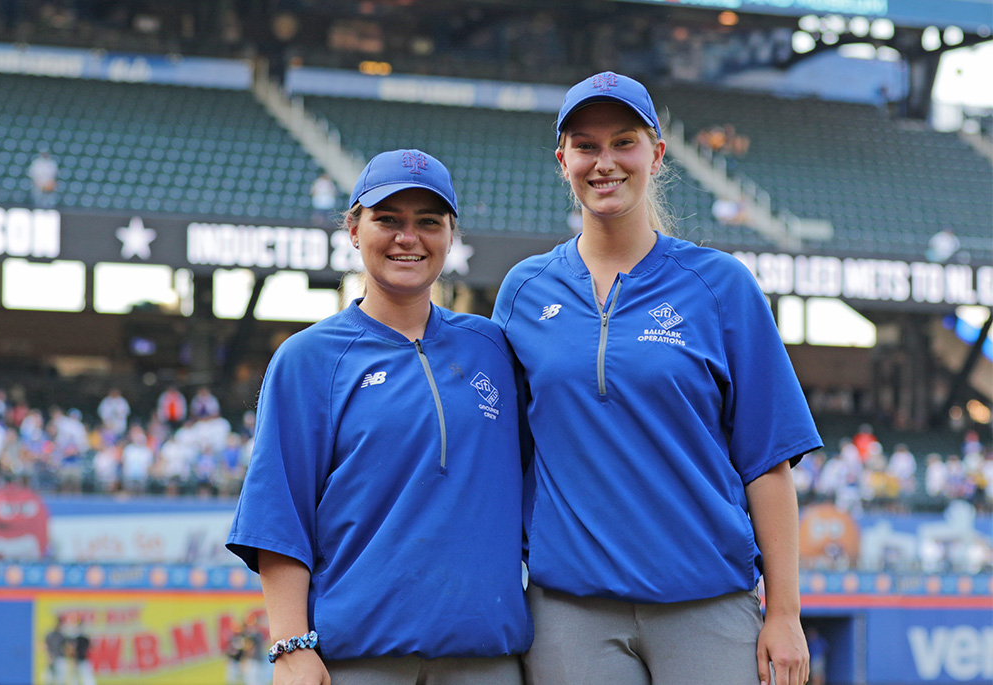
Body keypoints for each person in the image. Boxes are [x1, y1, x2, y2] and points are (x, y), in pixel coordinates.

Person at [493, 72, 821, 685]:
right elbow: (503, 455)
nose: (604, 162)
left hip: (707, 604)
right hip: (570, 612)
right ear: (562, 159)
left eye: (624, 142)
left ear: (656, 154)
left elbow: (768, 463)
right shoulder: (523, 292)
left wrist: (785, 611)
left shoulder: (721, 285)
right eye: (586, 146)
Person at [227, 149, 531, 684]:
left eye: (428, 222)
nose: (407, 238)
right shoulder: (308, 358)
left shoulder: (492, 347)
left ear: (451, 234)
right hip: (360, 660)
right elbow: (280, 517)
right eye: (387, 219)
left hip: (487, 658)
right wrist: (289, 646)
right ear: (352, 228)